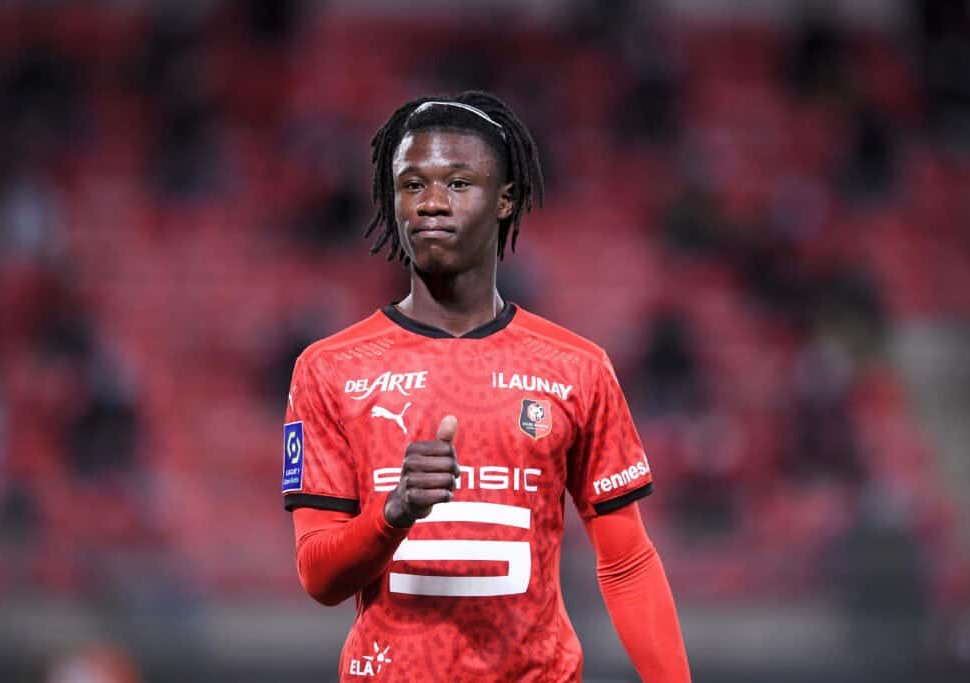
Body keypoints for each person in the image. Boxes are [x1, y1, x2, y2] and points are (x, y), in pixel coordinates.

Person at [283, 91, 690, 682]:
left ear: (505, 199)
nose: (431, 203)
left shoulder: (575, 368)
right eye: (412, 185)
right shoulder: (330, 369)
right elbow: (318, 578)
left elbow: (626, 562)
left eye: (457, 183)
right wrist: (394, 511)